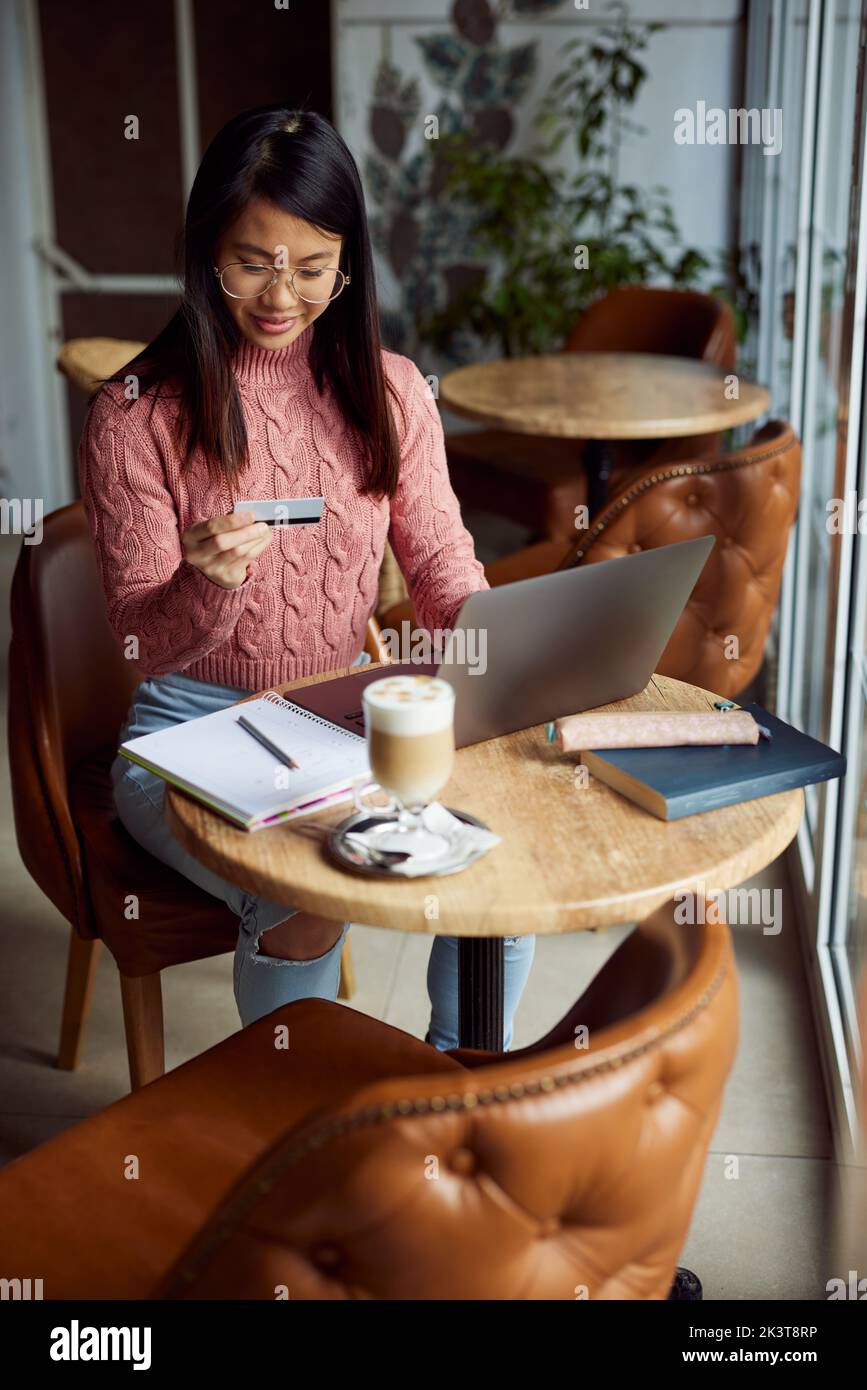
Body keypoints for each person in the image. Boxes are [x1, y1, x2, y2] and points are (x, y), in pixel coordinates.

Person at [79, 105, 535, 1049]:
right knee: (310, 897)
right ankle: (297, 1123)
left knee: (494, 857)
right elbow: (136, 643)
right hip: (184, 734)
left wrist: (509, 641)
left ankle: (456, 1080)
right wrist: (204, 587)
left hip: (342, 720)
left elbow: (443, 565)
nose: (280, 294)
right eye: (251, 261)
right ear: (206, 249)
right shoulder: (133, 416)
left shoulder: (392, 388)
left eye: (312, 265)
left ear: (347, 262)